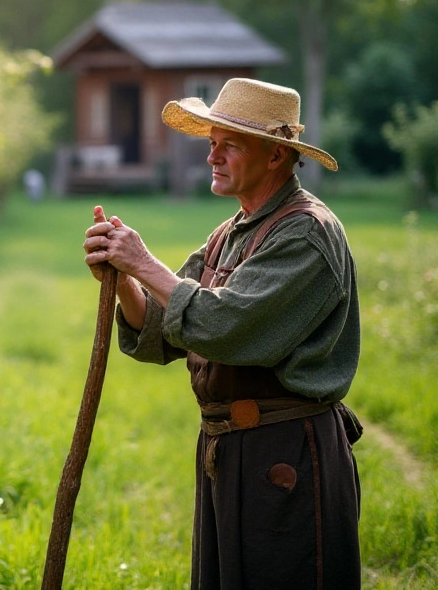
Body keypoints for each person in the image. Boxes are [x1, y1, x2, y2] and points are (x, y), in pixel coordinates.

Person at [82, 77, 363, 590]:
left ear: (277, 155)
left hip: (286, 456)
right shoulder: (231, 233)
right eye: (212, 144)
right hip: (228, 452)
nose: (212, 157)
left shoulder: (305, 233)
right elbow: (169, 334)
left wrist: (144, 263)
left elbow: (223, 324)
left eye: (229, 145)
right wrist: (124, 283)